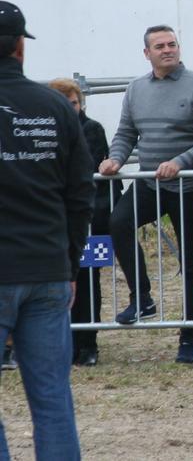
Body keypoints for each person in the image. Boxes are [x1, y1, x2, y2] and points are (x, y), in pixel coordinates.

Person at [0, 1, 94, 460]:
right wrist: (70, 264)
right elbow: (81, 196)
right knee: (53, 400)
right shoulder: (56, 106)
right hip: (48, 268)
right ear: (20, 47)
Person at [101, 25, 193, 365]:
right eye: (159, 46)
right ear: (147, 53)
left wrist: (179, 163)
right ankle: (142, 297)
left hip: (188, 186)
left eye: (172, 44)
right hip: (149, 182)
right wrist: (115, 159)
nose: (167, 50)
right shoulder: (136, 88)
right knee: (118, 223)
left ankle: (189, 338)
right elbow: (125, 133)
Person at [47, 77, 126, 368]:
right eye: (64, 103)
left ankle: (88, 343)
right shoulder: (43, 131)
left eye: (74, 102)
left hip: (87, 219)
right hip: (53, 221)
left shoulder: (91, 129)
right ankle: (63, 344)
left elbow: (87, 170)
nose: (71, 108)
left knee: (88, 283)